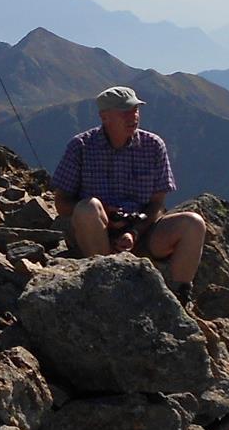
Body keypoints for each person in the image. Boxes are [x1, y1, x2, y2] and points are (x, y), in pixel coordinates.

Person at [50, 84, 208, 300]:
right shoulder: (81, 147)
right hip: (97, 233)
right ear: (105, 117)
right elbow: (61, 204)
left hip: (142, 233)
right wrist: (103, 210)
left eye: (135, 110)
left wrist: (133, 232)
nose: (133, 117)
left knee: (193, 223)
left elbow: (157, 203)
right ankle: (106, 283)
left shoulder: (153, 146)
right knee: (88, 208)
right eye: (125, 112)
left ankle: (179, 296)